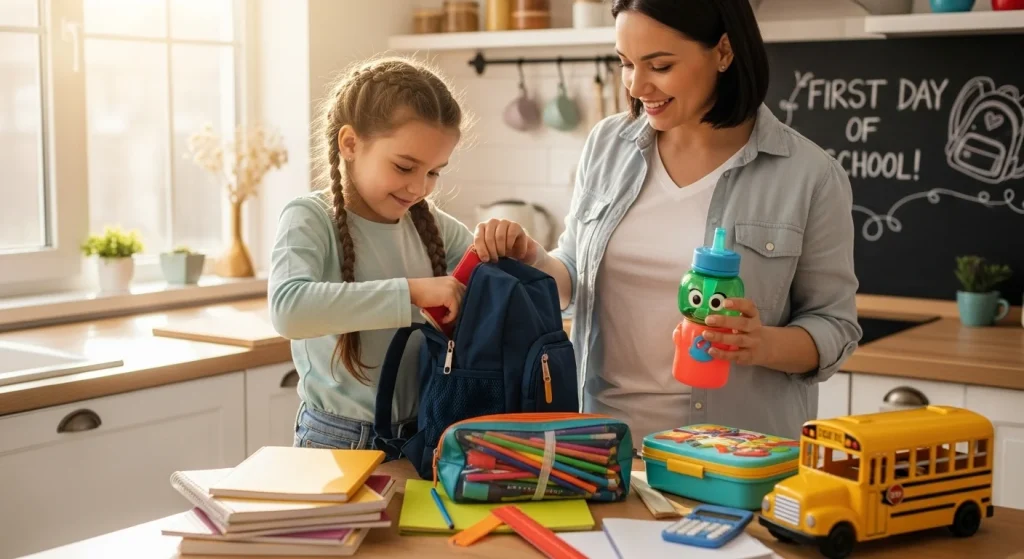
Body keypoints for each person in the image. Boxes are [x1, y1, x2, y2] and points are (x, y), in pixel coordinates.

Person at [472, 0, 862, 442]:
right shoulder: (607, 145)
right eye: (625, 64)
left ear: (724, 52)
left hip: (732, 456)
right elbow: (576, 276)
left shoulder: (808, 175)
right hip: (603, 445)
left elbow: (835, 326)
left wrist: (762, 344)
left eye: (659, 65)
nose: (637, 86)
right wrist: (536, 261)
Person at [268, 56, 475, 452]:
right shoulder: (310, 217)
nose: (419, 188)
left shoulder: (432, 226)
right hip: (334, 443)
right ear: (350, 144)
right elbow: (288, 308)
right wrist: (413, 293)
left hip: (422, 439)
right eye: (404, 167)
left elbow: (488, 279)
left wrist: (512, 248)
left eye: (433, 172)